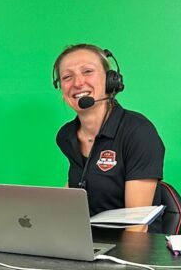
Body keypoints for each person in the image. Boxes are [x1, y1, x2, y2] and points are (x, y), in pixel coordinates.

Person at [52, 44, 165, 231]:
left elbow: (137, 226)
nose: (77, 83)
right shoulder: (66, 135)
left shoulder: (138, 132)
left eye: (87, 71)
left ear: (110, 80)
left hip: (134, 249)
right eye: (67, 77)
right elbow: (78, 185)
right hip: (87, 244)